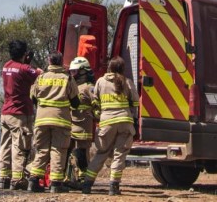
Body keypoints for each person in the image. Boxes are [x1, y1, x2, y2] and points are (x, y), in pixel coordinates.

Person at [81, 56, 138, 196]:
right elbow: (135, 102)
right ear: (122, 68)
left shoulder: (100, 81)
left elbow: (95, 101)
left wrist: (97, 114)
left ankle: (87, 184)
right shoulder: (127, 82)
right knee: (119, 155)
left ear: (109, 67)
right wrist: (133, 117)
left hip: (106, 123)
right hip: (125, 122)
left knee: (101, 153)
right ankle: (113, 186)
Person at [26, 51, 81, 193]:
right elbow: (75, 103)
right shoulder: (67, 78)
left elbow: (32, 98)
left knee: (42, 150)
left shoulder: (41, 78)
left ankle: (33, 181)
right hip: (60, 120)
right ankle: (55, 184)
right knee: (58, 150)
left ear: (49, 61)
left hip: (42, 119)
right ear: (61, 62)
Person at [0, 40, 42, 190]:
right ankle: (18, 178)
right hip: (20, 113)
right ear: (24, 53)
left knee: (5, 145)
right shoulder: (25, 69)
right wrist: (29, 63)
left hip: (6, 112)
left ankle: (4, 177)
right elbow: (40, 74)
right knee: (20, 145)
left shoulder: (6, 66)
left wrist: (25, 62)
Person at [66, 56, 96, 188]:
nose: (72, 74)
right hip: (69, 124)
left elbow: (98, 104)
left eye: (75, 71)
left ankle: (85, 180)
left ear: (83, 71)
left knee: (82, 153)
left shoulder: (89, 88)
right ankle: (69, 178)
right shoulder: (71, 85)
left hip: (83, 125)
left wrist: (95, 114)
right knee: (67, 152)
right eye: (71, 71)